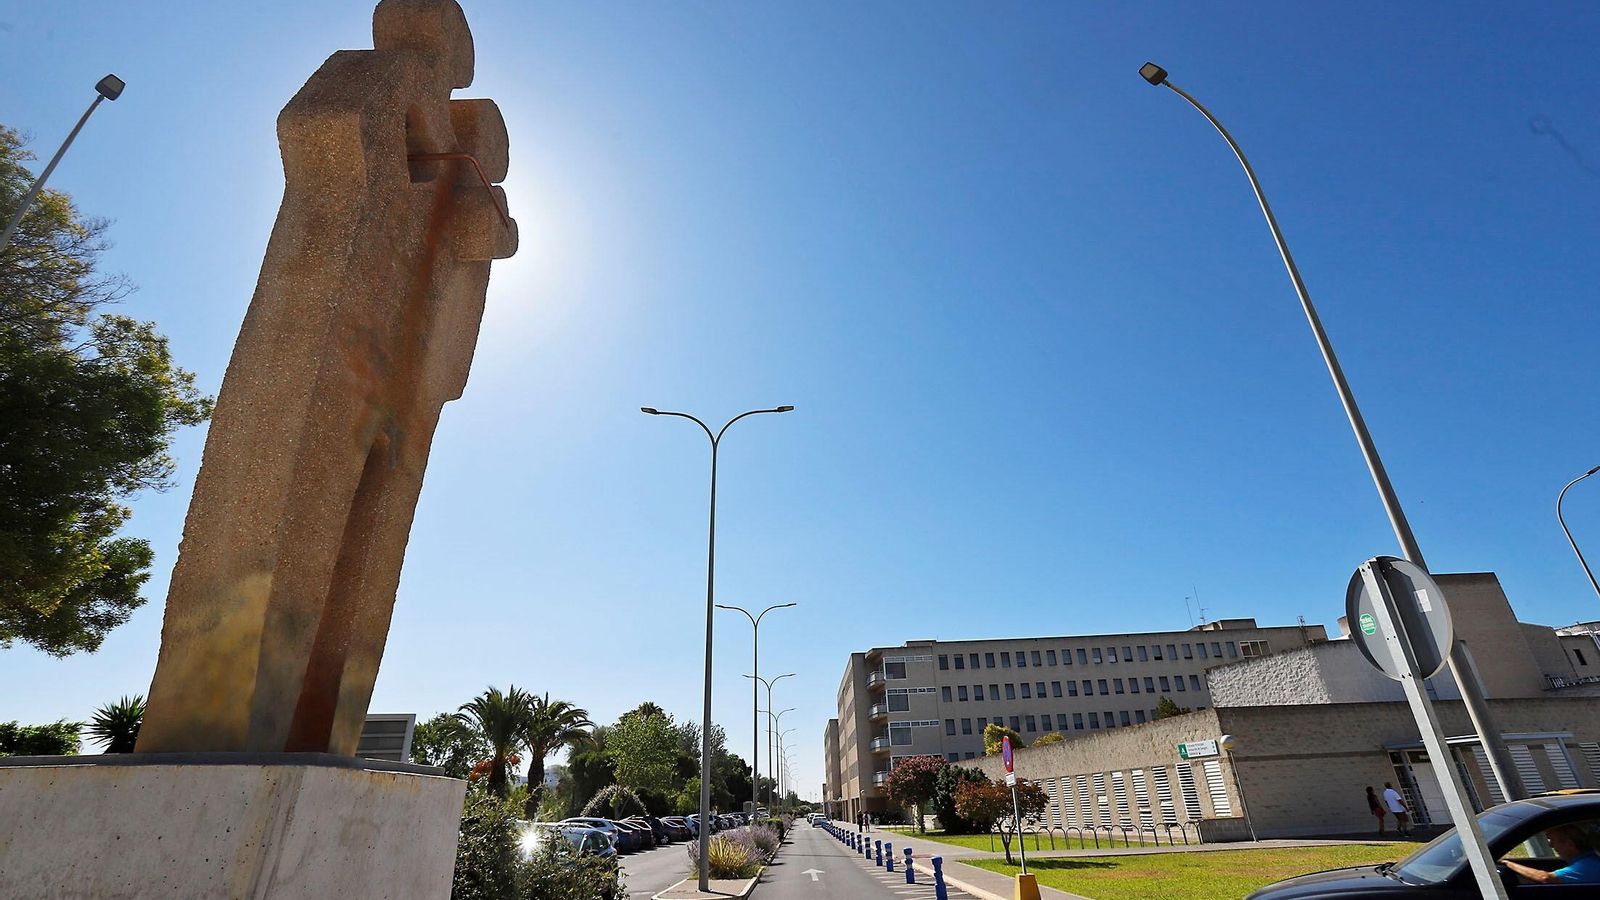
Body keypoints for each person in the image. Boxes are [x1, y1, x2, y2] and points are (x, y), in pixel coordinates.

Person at [1501, 824, 1600, 884]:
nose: (1551, 845)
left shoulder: (1584, 867)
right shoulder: (1593, 861)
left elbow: (1545, 878)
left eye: (1553, 841)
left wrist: (1508, 864)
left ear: (1570, 845)